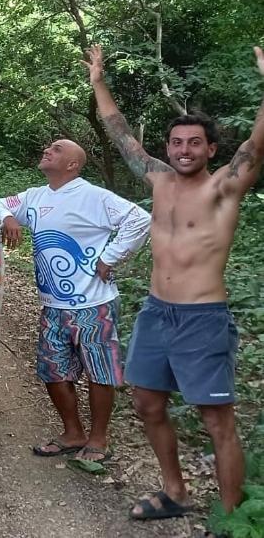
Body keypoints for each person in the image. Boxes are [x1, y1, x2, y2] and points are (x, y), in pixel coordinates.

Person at [83, 44, 264, 521]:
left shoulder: (223, 187)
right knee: (146, 402)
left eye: (194, 143)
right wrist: (99, 80)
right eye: (177, 143)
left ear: (211, 149)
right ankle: (176, 491)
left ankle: (231, 517)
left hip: (202, 318)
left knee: (216, 421)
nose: (184, 150)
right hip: (157, 313)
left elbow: (258, 145)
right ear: (169, 148)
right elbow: (122, 137)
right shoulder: (159, 180)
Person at [0, 139, 150, 462]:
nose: (48, 149)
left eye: (57, 149)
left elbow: (140, 220)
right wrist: (7, 217)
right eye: (49, 147)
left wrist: (111, 257)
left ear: (73, 165)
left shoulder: (94, 197)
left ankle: (99, 439)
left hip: (94, 303)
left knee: (100, 371)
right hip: (53, 305)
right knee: (53, 371)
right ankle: (73, 432)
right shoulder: (35, 197)